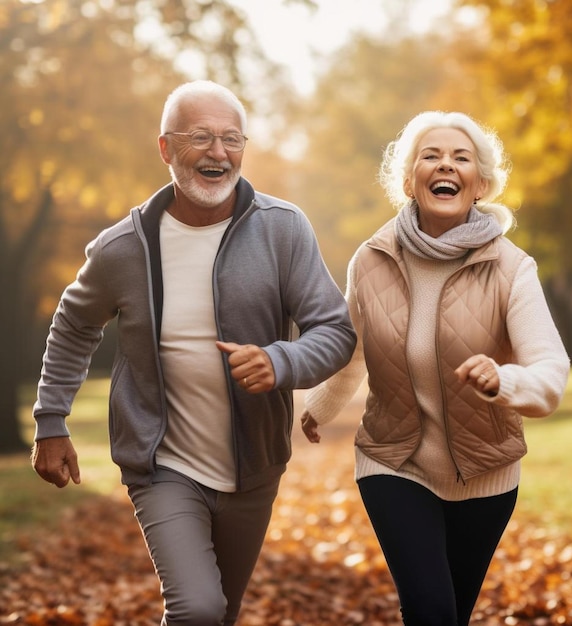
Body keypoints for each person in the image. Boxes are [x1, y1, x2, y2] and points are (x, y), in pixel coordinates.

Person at [31, 79, 356, 626]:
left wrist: (281, 361)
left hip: (254, 463)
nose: (218, 152)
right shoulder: (123, 248)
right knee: (198, 609)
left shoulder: (283, 229)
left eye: (232, 139)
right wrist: (51, 419)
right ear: (166, 148)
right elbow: (73, 324)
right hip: (162, 464)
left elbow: (335, 329)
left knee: (219, 614)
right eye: (200, 137)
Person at [301, 111, 570, 626]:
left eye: (460, 157)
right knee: (430, 611)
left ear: (480, 184)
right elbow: (354, 345)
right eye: (431, 155)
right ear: (408, 181)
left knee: (452, 614)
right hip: (392, 461)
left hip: (486, 474)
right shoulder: (371, 258)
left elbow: (550, 372)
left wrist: (504, 380)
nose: (445, 164)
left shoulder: (512, 267)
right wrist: (320, 405)